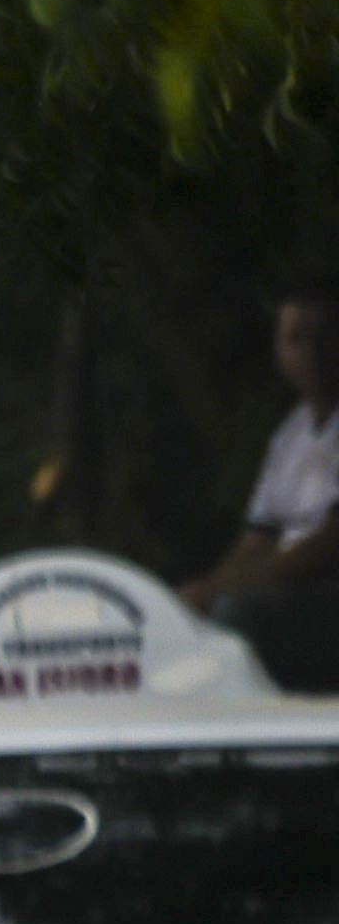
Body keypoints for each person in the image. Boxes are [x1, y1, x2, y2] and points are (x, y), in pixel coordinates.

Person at [184, 269, 339, 691]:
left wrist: (220, 590)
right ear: (278, 349)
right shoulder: (290, 434)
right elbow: (257, 538)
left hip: (321, 593)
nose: (312, 352)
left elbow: (323, 549)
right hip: (285, 591)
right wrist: (204, 591)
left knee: (236, 614)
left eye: (324, 336)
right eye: (297, 338)